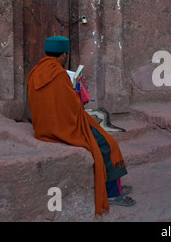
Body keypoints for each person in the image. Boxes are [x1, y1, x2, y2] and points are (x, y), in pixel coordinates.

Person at [27, 36, 135, 216]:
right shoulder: (59, 74)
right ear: (63, 56)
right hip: (62, 125)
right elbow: (73, 106)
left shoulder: (35, 71)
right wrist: (77, 90)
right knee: (106, 143)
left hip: (43, 126)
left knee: (101, 139)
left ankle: (113, 184)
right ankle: (113, 193)